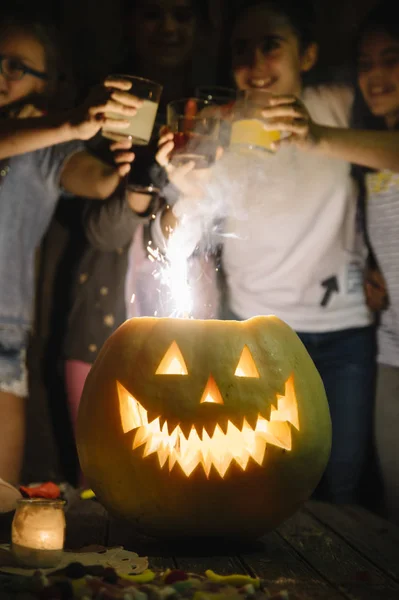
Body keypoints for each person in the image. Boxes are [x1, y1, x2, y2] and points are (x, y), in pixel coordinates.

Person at [152, 0, 377, 504]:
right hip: (256, 338)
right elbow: (167, 243)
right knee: (266, 485)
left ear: (308, 54)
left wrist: (317, 137)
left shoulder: (339, 103)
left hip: (345, 331)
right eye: (241, 49)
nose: (255, 63)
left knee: (343, 484)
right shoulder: (212, 128)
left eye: (271, 45)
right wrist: (187, 190)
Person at [52, 0, 220, 466]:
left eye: (183, 15)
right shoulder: (101, 112)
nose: (168, 27)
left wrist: (189, 187)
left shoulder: (209, 116)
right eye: (153, 14)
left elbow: (194, 236)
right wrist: (145, 181)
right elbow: (100, 234)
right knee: (101, 477)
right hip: (102, 330)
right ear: (129, 21)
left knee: (180, 473)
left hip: (187, 337)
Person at [0, 14, 146, 486]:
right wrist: (71, 123)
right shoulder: (57, 130)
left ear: (51, 80)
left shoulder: (50, 148)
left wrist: (126, 167)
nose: (2, 75)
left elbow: (99, 182)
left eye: (16, 67)